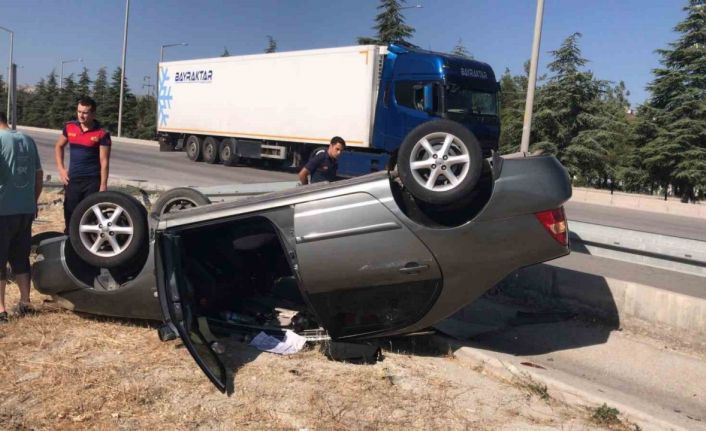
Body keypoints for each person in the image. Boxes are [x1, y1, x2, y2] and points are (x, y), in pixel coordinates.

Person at [0, 111, 43, 322]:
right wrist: (32, 201)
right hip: (25, 209)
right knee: (20, 257)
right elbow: (38, 174)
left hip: (3, 209)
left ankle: (0, 310)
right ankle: (25, 302)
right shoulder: (27, 139)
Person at [55, 96, 112, 232]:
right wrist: (61, 169)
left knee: (90, 216)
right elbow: (58, 146)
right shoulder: (69, 128)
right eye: (79, 111)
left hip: (92, 181)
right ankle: (69, 241)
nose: (81, 115)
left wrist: (103, 184)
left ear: (93, 114)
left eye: (85, 112)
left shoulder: (102, 134)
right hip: (72, 180)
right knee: (70, 214)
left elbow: (104, 161)